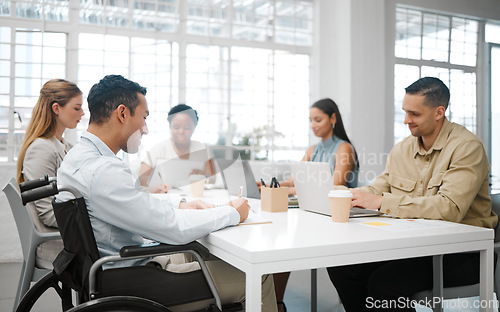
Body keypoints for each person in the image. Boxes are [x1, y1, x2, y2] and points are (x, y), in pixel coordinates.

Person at [55, 75, 277, 311]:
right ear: (122, 113)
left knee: (214, 256)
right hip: (134, 280)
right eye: (144, 118)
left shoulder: (78, 159)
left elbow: (137, 202)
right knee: (258, 275)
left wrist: (181, 203)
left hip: (113, 269)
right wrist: (231, 212)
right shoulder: (103, 171)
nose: (146, 129)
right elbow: (173, 228)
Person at [327, 77, 498, 312]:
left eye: (414, 114)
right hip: (416, 246)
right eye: (405, 112)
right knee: (342, 267)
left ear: (439, 112)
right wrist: (349, 195)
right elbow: (380, 187)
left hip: (461, 253)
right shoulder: (403, 149)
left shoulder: (467, 148)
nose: (407, 120)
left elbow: (448, 208)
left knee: (384, 284)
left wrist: (381, 202)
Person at [257, 98, 359, 312]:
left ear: (333, 119)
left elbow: (335, 184)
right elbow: (296, 180)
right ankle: (276, 302)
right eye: (310, 120)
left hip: (339, 218)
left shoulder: (344, 148)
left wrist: (288, 189)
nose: (313, 124)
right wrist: (273, 185)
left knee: (286, 240)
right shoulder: (313, 149)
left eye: (318, 119)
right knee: (281, 240)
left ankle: (276, 302)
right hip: (316, 212)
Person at [16, 78, 84, 268]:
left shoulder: (65, 146)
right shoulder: (42, 149)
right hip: (54, 244)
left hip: (65, 238)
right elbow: (47, 213)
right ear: (56, 109)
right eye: (77, 108)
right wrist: (89, 221)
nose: (82, 113)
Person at [137, 104, 213, 190]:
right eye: (176, 127)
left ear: (194, 127)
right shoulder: (159, 149)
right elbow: (140, 181)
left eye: (187, 127)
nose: (181, 131)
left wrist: (202, 176)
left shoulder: (202, 149)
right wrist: (152, 188)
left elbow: (212, 180)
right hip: (163, 198)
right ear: (170, 127)